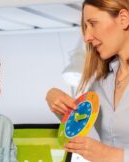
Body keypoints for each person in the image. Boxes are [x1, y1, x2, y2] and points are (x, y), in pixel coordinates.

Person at [46, 0, 129, 162]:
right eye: (86, 27)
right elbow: (87, 135)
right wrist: (58, 104)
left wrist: (115, 156)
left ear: (123, 19)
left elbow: (105, 154)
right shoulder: (101, 83)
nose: (86, 37)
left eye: (93, 24)